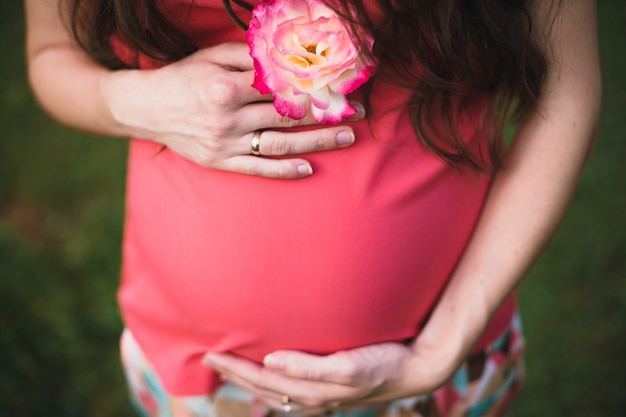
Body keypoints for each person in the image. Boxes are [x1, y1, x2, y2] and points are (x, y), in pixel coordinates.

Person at [24, 0, 600, 416]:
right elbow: (52, 54)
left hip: (431, 361)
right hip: (203, 374)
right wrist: (135, 101)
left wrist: (439, 350)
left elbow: (567, 89)